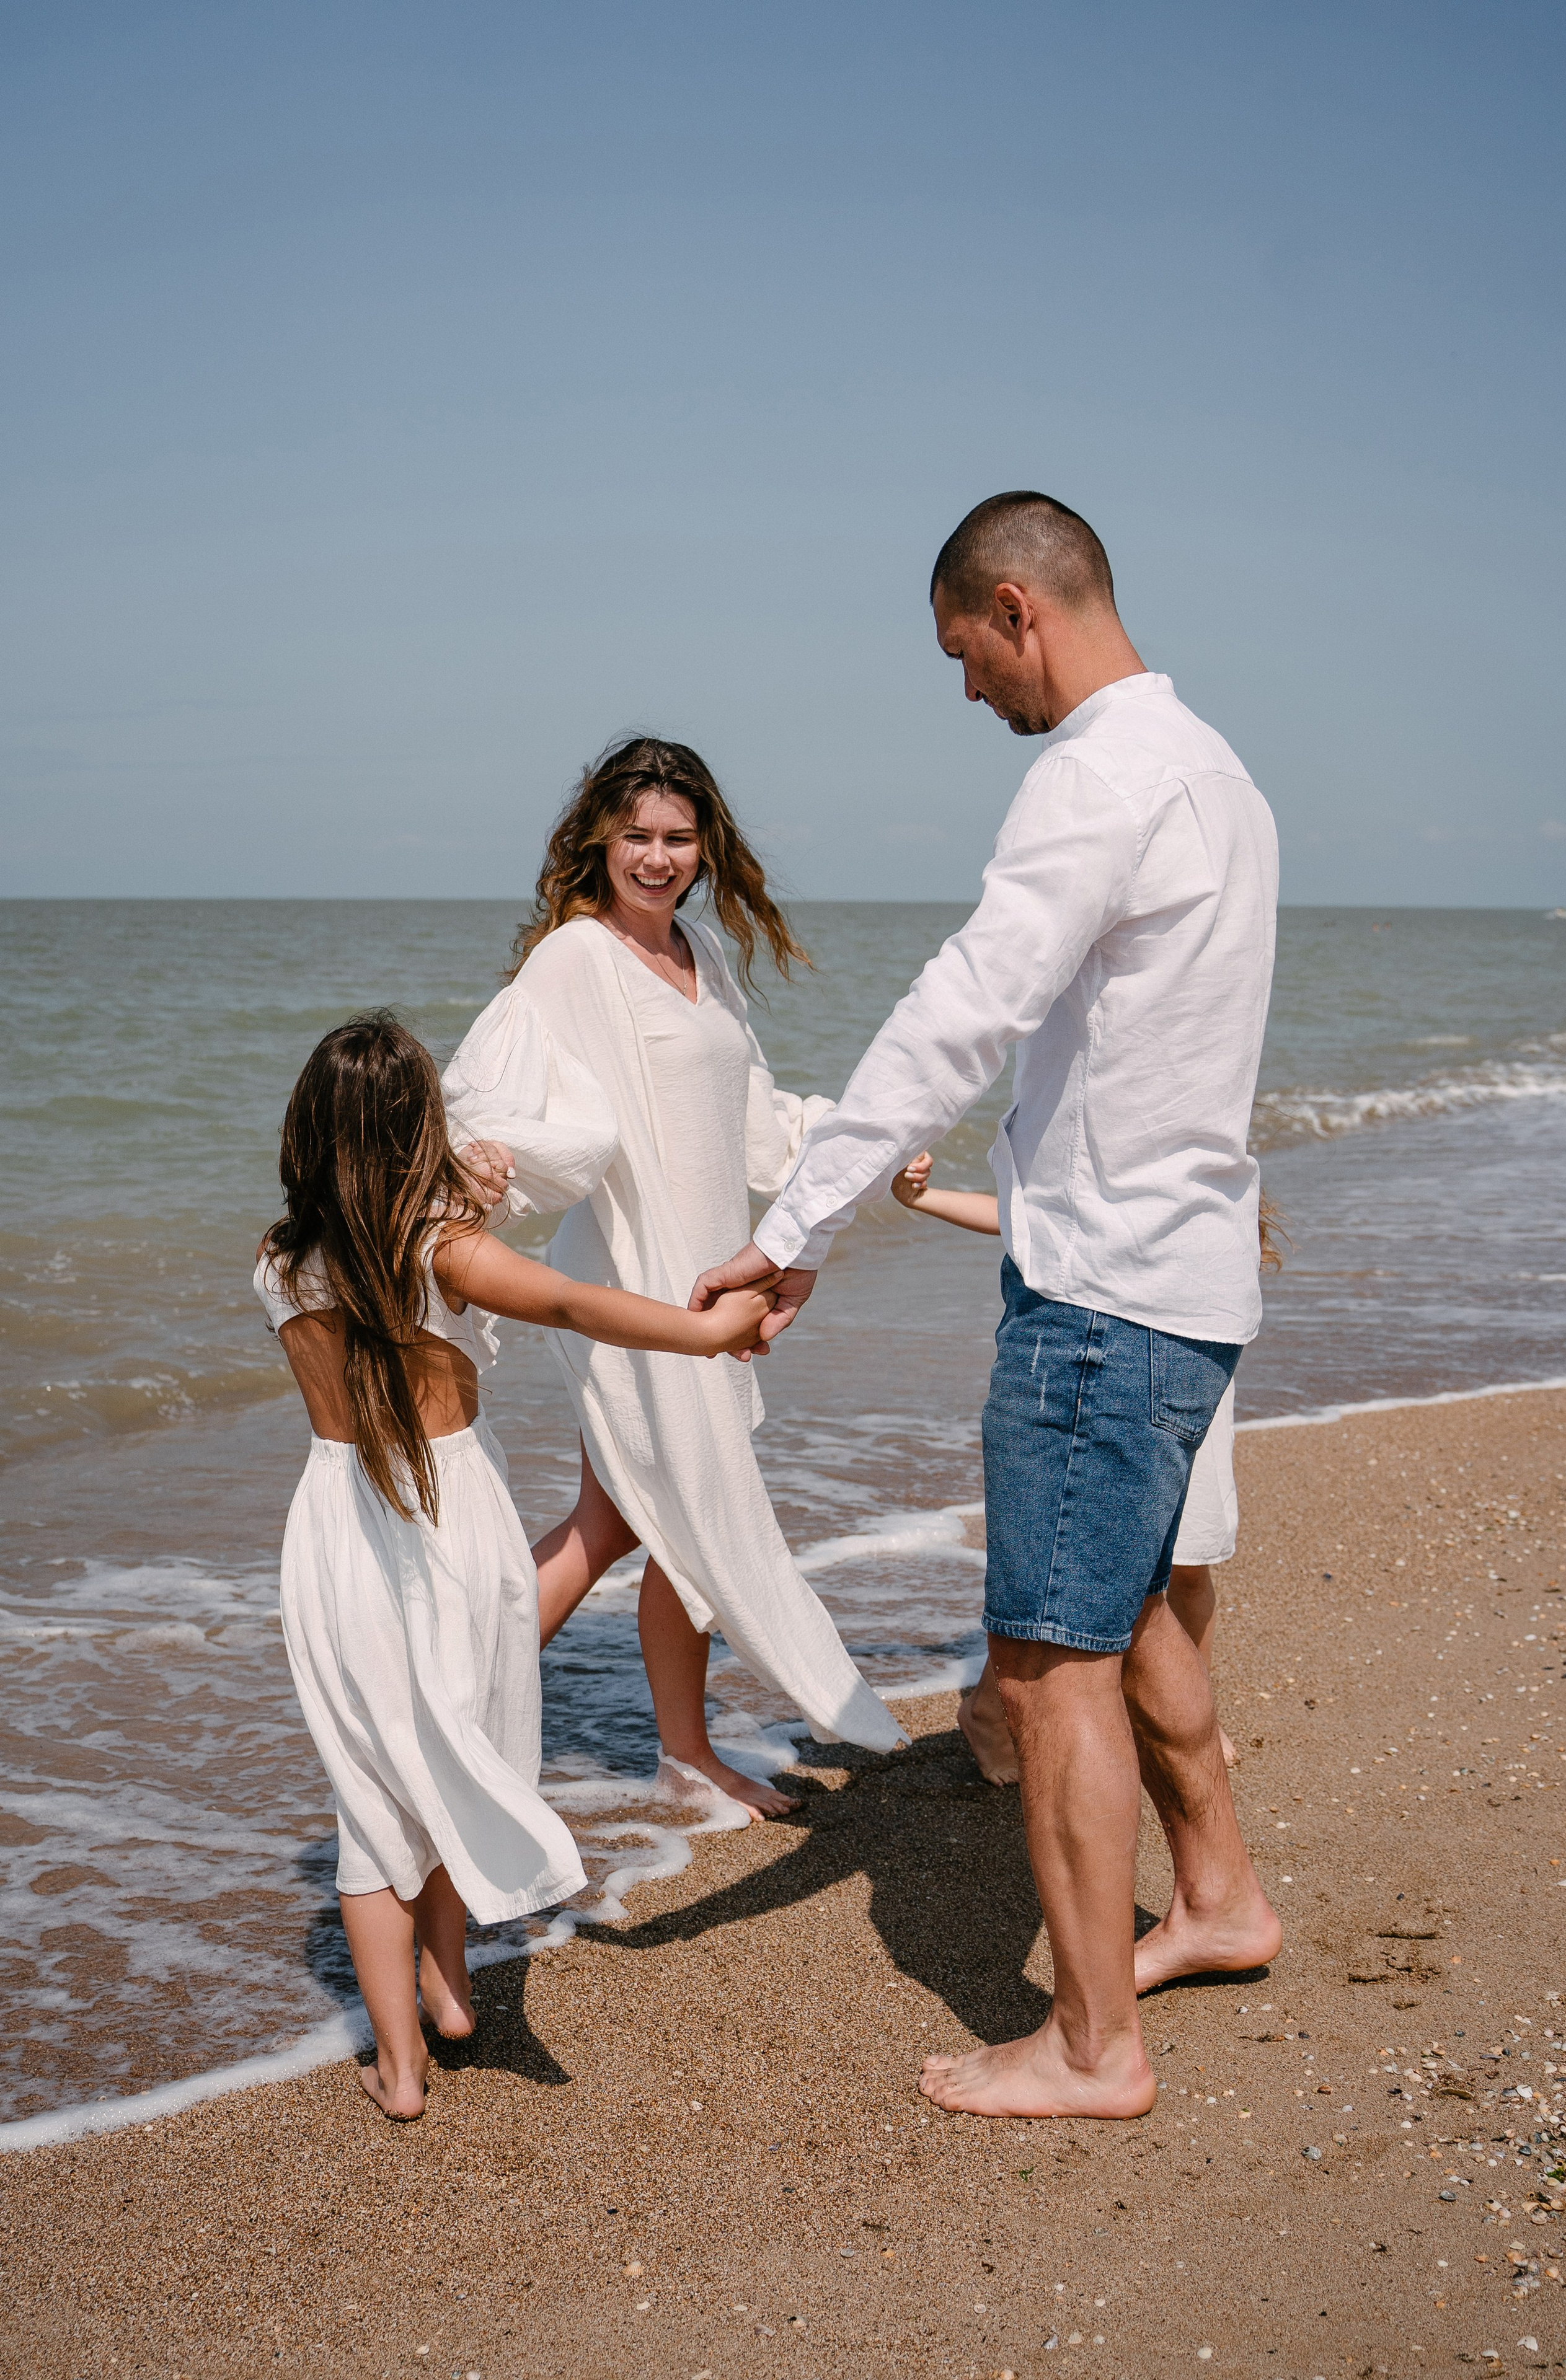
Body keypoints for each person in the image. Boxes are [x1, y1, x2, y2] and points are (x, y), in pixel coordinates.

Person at [691, 491, 1283, 2120]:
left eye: (966, 655)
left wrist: (798, 1222)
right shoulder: (1224, 777)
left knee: (1055, 1665)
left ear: (1019, 609)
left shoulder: (1093, 776)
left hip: (1100, 1305)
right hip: (1193, 1278)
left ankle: (1093, 2047)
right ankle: (1222, 1900)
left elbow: (968, 1008)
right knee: (1148, 1608)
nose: (969, 693)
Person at [256, 1011, 777, 2121]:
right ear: (419, 1128)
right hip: (447, 1520)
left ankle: (405, 2061)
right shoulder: (445, 1249)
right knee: (465, 1750)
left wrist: (464, 1205)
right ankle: (452, 1997)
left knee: (374, 1799)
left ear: (307, 1130)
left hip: (334, 1529)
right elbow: (576, 1303)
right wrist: (716, 1330)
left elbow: (385, 1281)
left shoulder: (278, 1260)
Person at [444, 738, 902, 1819]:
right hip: (627, 1288)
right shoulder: (575, 957)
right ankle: (451, 1725)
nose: (657, 857)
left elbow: (750, 1116)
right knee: (631, 1520)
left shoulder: (705, 949)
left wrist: (851, 1154)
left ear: (707, 847)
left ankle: (673, 1751)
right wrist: (481, 1170)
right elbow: (485, 1091)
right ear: (598, 839)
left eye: (678, 837)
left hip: (709, 1280)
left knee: (649, 1517)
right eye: (637, 835)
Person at [889, 1157, 1289, 1776]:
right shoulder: (1096, 1155)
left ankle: (1187, 1717)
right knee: (1071, 1572)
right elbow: (1026, 1218)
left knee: (1188, 1564)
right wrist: (923, 1199)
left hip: (1197, 1379)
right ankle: (990, 1713)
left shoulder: (1205, 1166)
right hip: (1113, 1372)